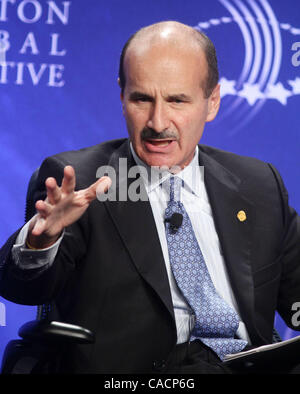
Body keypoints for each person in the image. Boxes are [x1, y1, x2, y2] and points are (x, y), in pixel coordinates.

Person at [0, 21, 300, 374]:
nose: (158, 122)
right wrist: (41, 241)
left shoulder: (258, 184)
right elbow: (23, 289)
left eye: (177, 100)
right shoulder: (81, 183)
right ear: (122, 97)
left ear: (212, 102)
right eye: (142, 99)